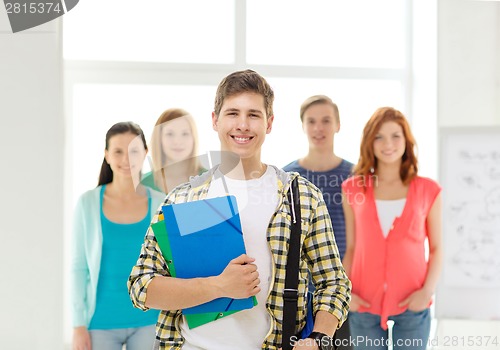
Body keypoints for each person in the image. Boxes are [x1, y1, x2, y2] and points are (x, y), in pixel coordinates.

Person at [128, 70, 351, 350]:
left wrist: (319, 339)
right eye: (233, 113)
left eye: (254, 115)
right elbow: (141, 286)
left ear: (269, 123)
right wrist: (218, 287)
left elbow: (334, 283)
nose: (243, 125)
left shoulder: (300, 197)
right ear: (215, 120)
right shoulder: (183, 200)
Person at [341, 107, 442, 350]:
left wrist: (427, 292)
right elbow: (352, 247)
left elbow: (437, 248)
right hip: (363, 304)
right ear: (370, 142)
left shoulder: (428, 190)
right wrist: (346, 294)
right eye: (379, 136)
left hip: (413, 304)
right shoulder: (352, 189)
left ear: (406, 141)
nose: (388, 143)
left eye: (395, 136)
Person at [71, 122, 165, 350]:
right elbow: (79, 267)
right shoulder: (87, 203)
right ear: (107, 155)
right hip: (101, 322)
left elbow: (169, 264)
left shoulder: (161, 202)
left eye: (133, 151)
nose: (126, 159)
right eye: (118, 151)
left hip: (149, 319)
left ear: (145, 153)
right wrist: (78, 326)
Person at [283, 95, 354, 350]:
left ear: (338, 124)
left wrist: (345, 283)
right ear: (303, 126)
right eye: (311, 121)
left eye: (326, 120)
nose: (318, 128)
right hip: (299, 294)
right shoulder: (288, 178)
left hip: (344, 290)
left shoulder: (355, 175)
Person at [141, 108, 206, 194]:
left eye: (185, 134)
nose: (177, 141)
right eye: (170, 134)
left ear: (193, 139)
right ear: (159, 139)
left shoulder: (210, 181)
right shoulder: (144, 185)